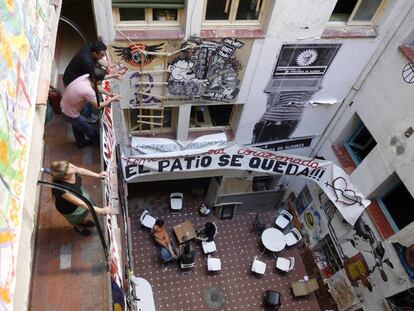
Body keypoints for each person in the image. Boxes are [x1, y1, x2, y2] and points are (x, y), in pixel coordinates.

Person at [60, 67, 122, 148]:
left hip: (65, 105)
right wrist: (112, 99)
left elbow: (97, 85)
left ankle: (80, 143)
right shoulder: (88, 91)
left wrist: (112, 77)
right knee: (88, 130)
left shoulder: (86, 76)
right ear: (98, 81)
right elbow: (98, 106)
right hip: (70, 113)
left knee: (76, 126)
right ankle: (99, 144)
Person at [50, 160, 113, 236]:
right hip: (70, 208)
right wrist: (101, 210)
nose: (72, 166)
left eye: (69, 164)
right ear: (65, 177)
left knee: (83, 215)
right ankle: (77, 226)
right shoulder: (62, 190)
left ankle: (83, 221)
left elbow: (80, 170)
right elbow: (81, 203)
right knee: (75, 219)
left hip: (79, 194)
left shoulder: (71, 169)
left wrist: (98, 175)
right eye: (70, 168)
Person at [63, 40, 121, 120]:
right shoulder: (88, 65)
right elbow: (97, 104)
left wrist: (109, 67)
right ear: (94, 53)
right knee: (85, 104)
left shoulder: (91, 46)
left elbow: (98, 60)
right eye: (101, 55)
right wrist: (111, 97)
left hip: (74, 80)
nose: (103, 57)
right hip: (71, 81)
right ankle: (85, 116)